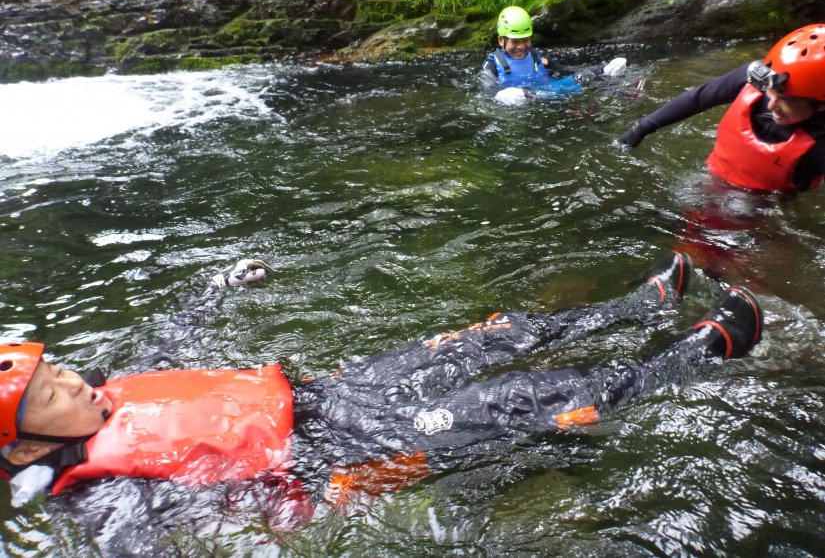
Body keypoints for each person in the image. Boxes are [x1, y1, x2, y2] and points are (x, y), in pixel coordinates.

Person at [0, 252, 763, 525]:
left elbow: (167, 346)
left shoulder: (104, 390)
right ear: (32, 443)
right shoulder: (102, 495)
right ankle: (705, 349)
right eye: (50, 394)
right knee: (524, 399)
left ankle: (639, 306)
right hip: (339, 455)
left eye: (57, 366)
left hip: (329, 393)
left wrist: (213, 289)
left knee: (484, 339)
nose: (72, 379)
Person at [616, 24, 825, 192]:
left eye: (787, 101)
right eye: (771, 93)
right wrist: (642, 127)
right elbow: (698, 98)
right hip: (713, 174)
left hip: (767, 204)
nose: (772, 106)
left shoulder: (820, 146)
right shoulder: (760, 76)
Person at [480, 6, 627, 100]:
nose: (521, 47)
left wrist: (603, 70)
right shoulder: (492, 64)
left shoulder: (536, 57)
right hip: (523, 99)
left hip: (552, 92)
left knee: (581, 77)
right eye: (515, 42)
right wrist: (498, 96)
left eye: (525, 40)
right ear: (501, 40)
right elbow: (484, 91)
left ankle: (617, 86)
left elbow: (564, 71)